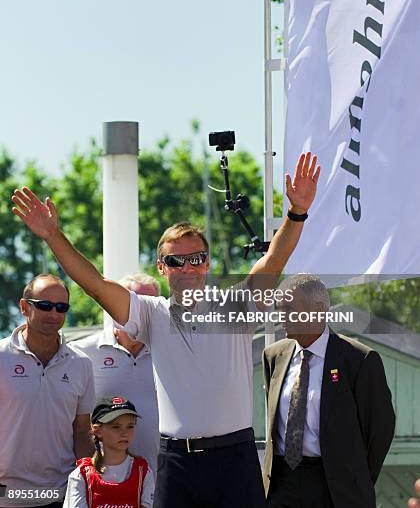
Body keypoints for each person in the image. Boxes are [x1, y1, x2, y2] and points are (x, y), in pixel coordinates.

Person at [12, 152, 320, 508]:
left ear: (208, 263)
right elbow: (95, 284)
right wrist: (52, 235)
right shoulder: (150, 312)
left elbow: (274, 260)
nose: (188, 268)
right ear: (162, 267)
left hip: (235, 458)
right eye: (176, 260)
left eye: (196, 258)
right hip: (176, 462)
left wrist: (296, 214)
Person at [262, 274, 395, 508]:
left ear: (319, 309)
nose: (281, 316)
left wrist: (355, 480)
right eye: (279, 308)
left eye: (289, 308)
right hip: (281, 485)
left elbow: (379, 431)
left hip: (335, 489)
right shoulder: (273, 356)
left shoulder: (360, 360)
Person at [0, 274, 95, 508]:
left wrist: (88, 483)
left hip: (61, 494)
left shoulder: (81, 363)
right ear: (24, 307)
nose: (54, 315)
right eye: (45, 306)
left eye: (61, 307)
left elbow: (82, 432)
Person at [72, 273, 160, 477]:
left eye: (146, 308)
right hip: (104, 483)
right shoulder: (81, 352)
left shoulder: (171, 353)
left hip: (162, 480)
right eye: (130, 305)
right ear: (111, 306)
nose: (137, 315)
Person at [63, 396, 154, 508]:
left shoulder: (143, 471)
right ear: (98, 431)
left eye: (130, 426)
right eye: (116, 427)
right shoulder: (81, 475)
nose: (124, 433)